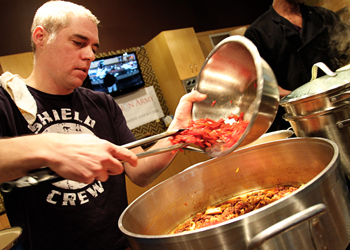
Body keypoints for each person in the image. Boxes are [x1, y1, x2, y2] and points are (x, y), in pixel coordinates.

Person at [0, 1, 206, 250]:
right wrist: (49, 147)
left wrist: (177, 133)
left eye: (94, 47)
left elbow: (138, 170)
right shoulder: (8, 103)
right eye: (78, 43)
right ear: (41, 37)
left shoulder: (103, 103)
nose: (89, 55)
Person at [244, 0, 350, 131]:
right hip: (296, 122)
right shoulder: (257, 33)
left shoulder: (324, 16)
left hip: (340, 108)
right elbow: (262, 86)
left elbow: (347, 51)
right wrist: (307, 100)